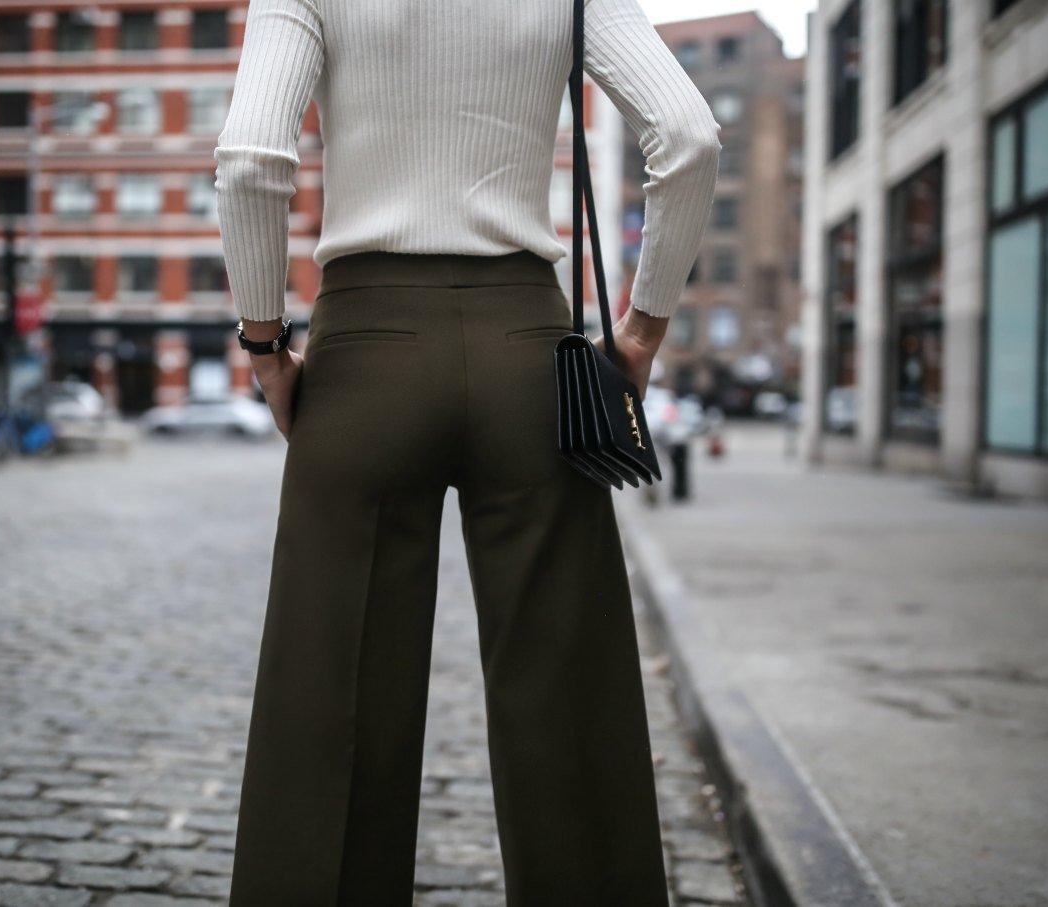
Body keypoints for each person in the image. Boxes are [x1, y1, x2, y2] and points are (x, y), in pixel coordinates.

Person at [213, 0, 721, 903]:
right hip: (531, 354)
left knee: (331, 696)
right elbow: (686, 135)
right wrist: (639, 333)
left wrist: (264, 344)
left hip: (363, 354)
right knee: (571, 701)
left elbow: (253, 159)